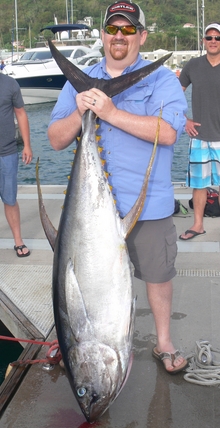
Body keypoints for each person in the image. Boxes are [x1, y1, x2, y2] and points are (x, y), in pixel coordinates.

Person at [48, 0, 188, 373]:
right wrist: (80, 110)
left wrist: (109, 112)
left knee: (158, 276)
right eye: (113, 29)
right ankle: (85, 337)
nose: (119, 37)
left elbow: (169, 133)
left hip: (146, 204)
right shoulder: (77, 81)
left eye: (128, 29)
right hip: (88, 211)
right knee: (85, 281)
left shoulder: (161, 79)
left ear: (141, 35)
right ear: (103, 35)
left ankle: (163, 341)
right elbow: (56, 140)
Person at [179, 22, 220, 241]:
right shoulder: (192, 66)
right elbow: (175, 95)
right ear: (204, 40)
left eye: (217, 37)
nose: (213, 41)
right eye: (209, 37)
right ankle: (197, 225)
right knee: (199, 184)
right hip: (200, 137)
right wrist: (184, 120)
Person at [0, 72, 32, 257]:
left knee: (10, 199)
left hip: (7, 152)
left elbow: (20, 114)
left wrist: (27, 145)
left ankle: (18, 241)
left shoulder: (10, 84)